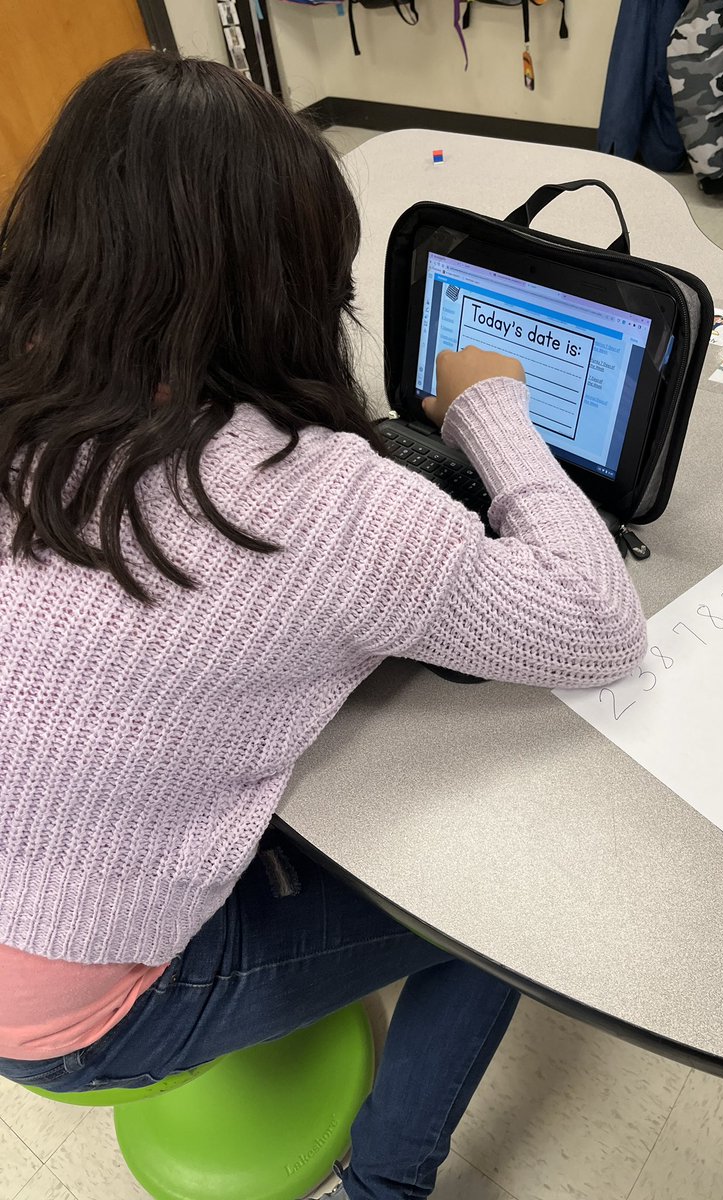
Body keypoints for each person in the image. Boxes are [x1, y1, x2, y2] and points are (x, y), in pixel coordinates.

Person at [0, 51, 647, 1200]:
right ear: (289, 282)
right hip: (79, 1017)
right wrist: (488, 404)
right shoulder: (321, 498)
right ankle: (386, 1187)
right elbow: (599, 625)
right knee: (498, 917)